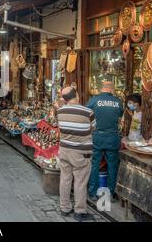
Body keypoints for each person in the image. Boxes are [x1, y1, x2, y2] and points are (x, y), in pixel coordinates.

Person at [57, 86, 96, 222]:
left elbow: (61, 128)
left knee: (65, 179)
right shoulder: (88, 112)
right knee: (80, 181)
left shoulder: (59, 111)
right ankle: (79, 211)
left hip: (64, 150)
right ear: (77, 95)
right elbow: (93, 128)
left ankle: (64, 207)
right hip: (81, 152)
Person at [86, 80, 124, 202]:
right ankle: (111, 193)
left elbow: (86, 114)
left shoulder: (94, 100)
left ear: (101, 89)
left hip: (97, 136)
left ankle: (92, 193)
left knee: (94, 164)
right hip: (112, 137)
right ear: (112, 89)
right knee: (112, 166)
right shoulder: (118, 102)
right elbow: (119, 118)